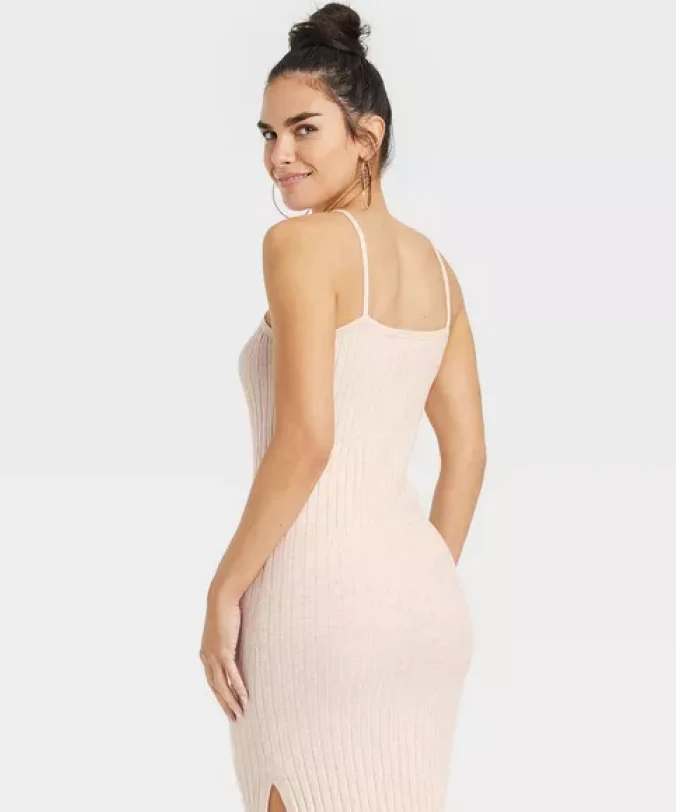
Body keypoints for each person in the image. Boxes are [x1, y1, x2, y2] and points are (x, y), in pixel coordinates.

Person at [200, 3, 487, 810]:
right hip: (423, 607)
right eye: (268, 134)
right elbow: (468, 455)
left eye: (304, 130)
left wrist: (224, 590)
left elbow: (307, 438)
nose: (279, 156)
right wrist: (414, 583)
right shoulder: (438, 271)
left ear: (368, 135)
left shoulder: (298, 245)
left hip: (314, 603)